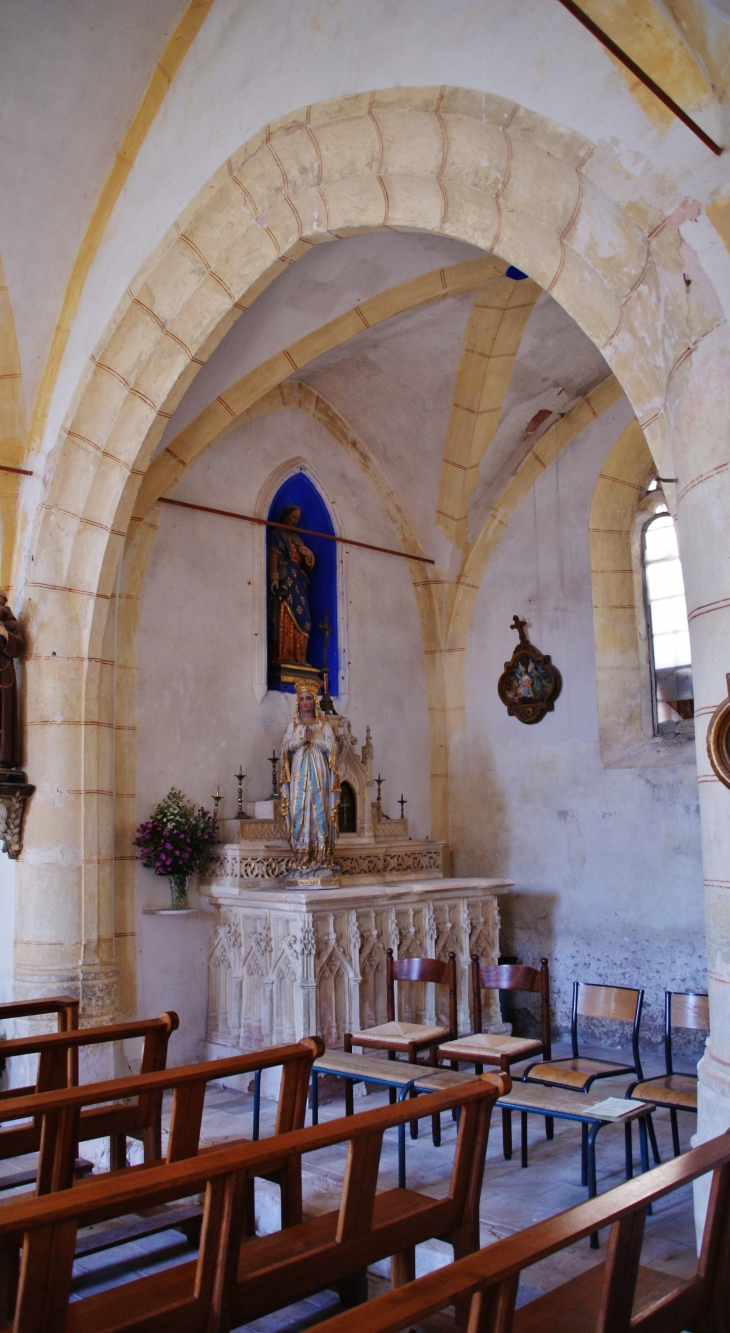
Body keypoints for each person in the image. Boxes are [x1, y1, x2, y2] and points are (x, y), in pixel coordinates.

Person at [279, 679, 340, 870]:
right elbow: (285, 748)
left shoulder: (324, 726)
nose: (305, 702)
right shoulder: (293, 726)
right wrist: (300, 740)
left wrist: (315, 741)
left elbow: (333, 748)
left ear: (315, 701)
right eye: (302, 699)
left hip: (320, 775)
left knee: (318, 810)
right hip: (298, 774)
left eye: (309, 698)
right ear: (298, 702)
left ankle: (322, 856)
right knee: (300, 811)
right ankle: (302, 855)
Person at [268, 504, 315, 665]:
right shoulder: (277, 534)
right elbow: (273, 555)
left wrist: (308, 555)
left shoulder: (298, 539)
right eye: (293, 516)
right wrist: (274, 577)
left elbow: (307, 567)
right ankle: (283, 656)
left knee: (304, 617)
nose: (295, 520)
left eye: (297, 518)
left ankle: (299, 657)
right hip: (285, 580)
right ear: (285, 515)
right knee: (285, 615)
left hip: (299, 581)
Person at [0, 592, 24, 770]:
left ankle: (4, 758)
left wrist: (4, 635)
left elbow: (18, 648)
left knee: (3, 716)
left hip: (3, 678)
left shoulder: (9, 623)